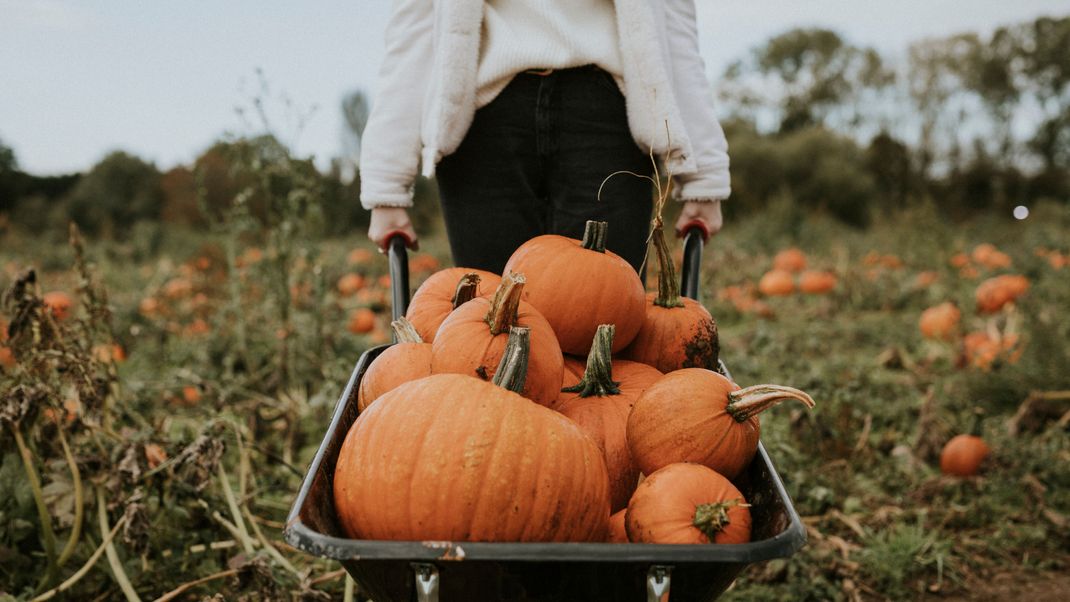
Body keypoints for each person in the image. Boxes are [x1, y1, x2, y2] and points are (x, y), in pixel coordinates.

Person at [360, 0, 730, 275]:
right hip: (484, 116)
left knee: (605, 324)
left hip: (606, 113)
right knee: (490, 323)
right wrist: (386, 186)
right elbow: (413, 35)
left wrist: (705, 177)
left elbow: (675, 33)